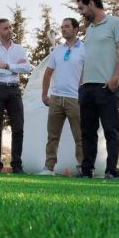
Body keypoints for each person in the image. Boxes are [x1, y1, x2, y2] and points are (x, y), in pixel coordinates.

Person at [76, 0, 119, 179]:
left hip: (106, 87)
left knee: (110, 130)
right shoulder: (89, 30)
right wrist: (80, 83)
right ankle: (86, 170)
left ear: (91, 4)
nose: (81, 13)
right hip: (87, 88)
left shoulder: (115, 23)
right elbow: (87, 59)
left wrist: (115, 78)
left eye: (82, 8)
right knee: (87, 132)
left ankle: (110, 171)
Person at [38, 17, 84, 176]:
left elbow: (86, 74)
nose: (63, 29)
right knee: (52, 137)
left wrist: (83, 94)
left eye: (67, 26)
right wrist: (44, 94)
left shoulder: (84, 49)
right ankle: (49, 168)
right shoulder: (57, 50)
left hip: (75, 99)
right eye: (62, 27)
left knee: (80, 137)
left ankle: (82, 168)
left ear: (76, 29)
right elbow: (48, 73)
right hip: (56, 98)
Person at [0, 19, 31, 173]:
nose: (9, 30)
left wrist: (5, 65)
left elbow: (26, 68)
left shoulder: (19, 49)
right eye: (5, 28)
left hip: (14, 91)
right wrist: (15, 68)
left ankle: (17, 165)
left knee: (18, 128)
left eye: (10, 27)